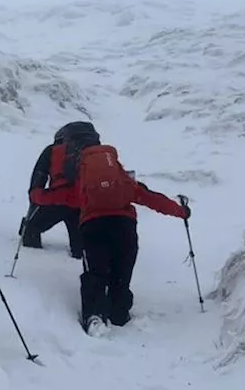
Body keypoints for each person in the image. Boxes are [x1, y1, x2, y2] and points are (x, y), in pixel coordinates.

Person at [56, 121, 191, 334]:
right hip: (124, 226)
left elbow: (70, 198)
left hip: (93, 226)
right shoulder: (121, 177)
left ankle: (94, 317)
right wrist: (181, 212)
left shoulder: (80, 173)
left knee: (96, 273)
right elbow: (148, 197)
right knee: (122, 272)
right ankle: (119, 313)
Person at [20, 125, 84, 258]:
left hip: (57, 199)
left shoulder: (52, 151)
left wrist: (34, 198)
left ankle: (32, 255)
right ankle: (78, 252)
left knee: (32, 228)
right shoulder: (93, 153)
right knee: (81, 245)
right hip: (83, 203)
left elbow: (39, 176)